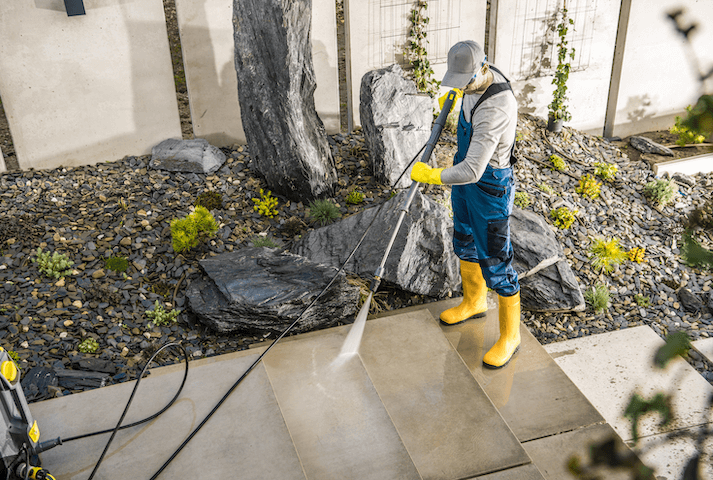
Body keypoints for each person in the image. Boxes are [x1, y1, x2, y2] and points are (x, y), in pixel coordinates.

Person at [410, 40, 520, 368]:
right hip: (466, 173)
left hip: (488, 184)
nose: (462, 87)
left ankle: (510, 336)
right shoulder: (475, 79)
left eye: (465, 81)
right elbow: (467, 163)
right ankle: (474, 302)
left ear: (483, 68)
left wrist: (432, 176)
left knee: (496, 260)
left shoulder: (496, 107)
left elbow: (473, 170)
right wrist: (456, 93)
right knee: (464, 239)